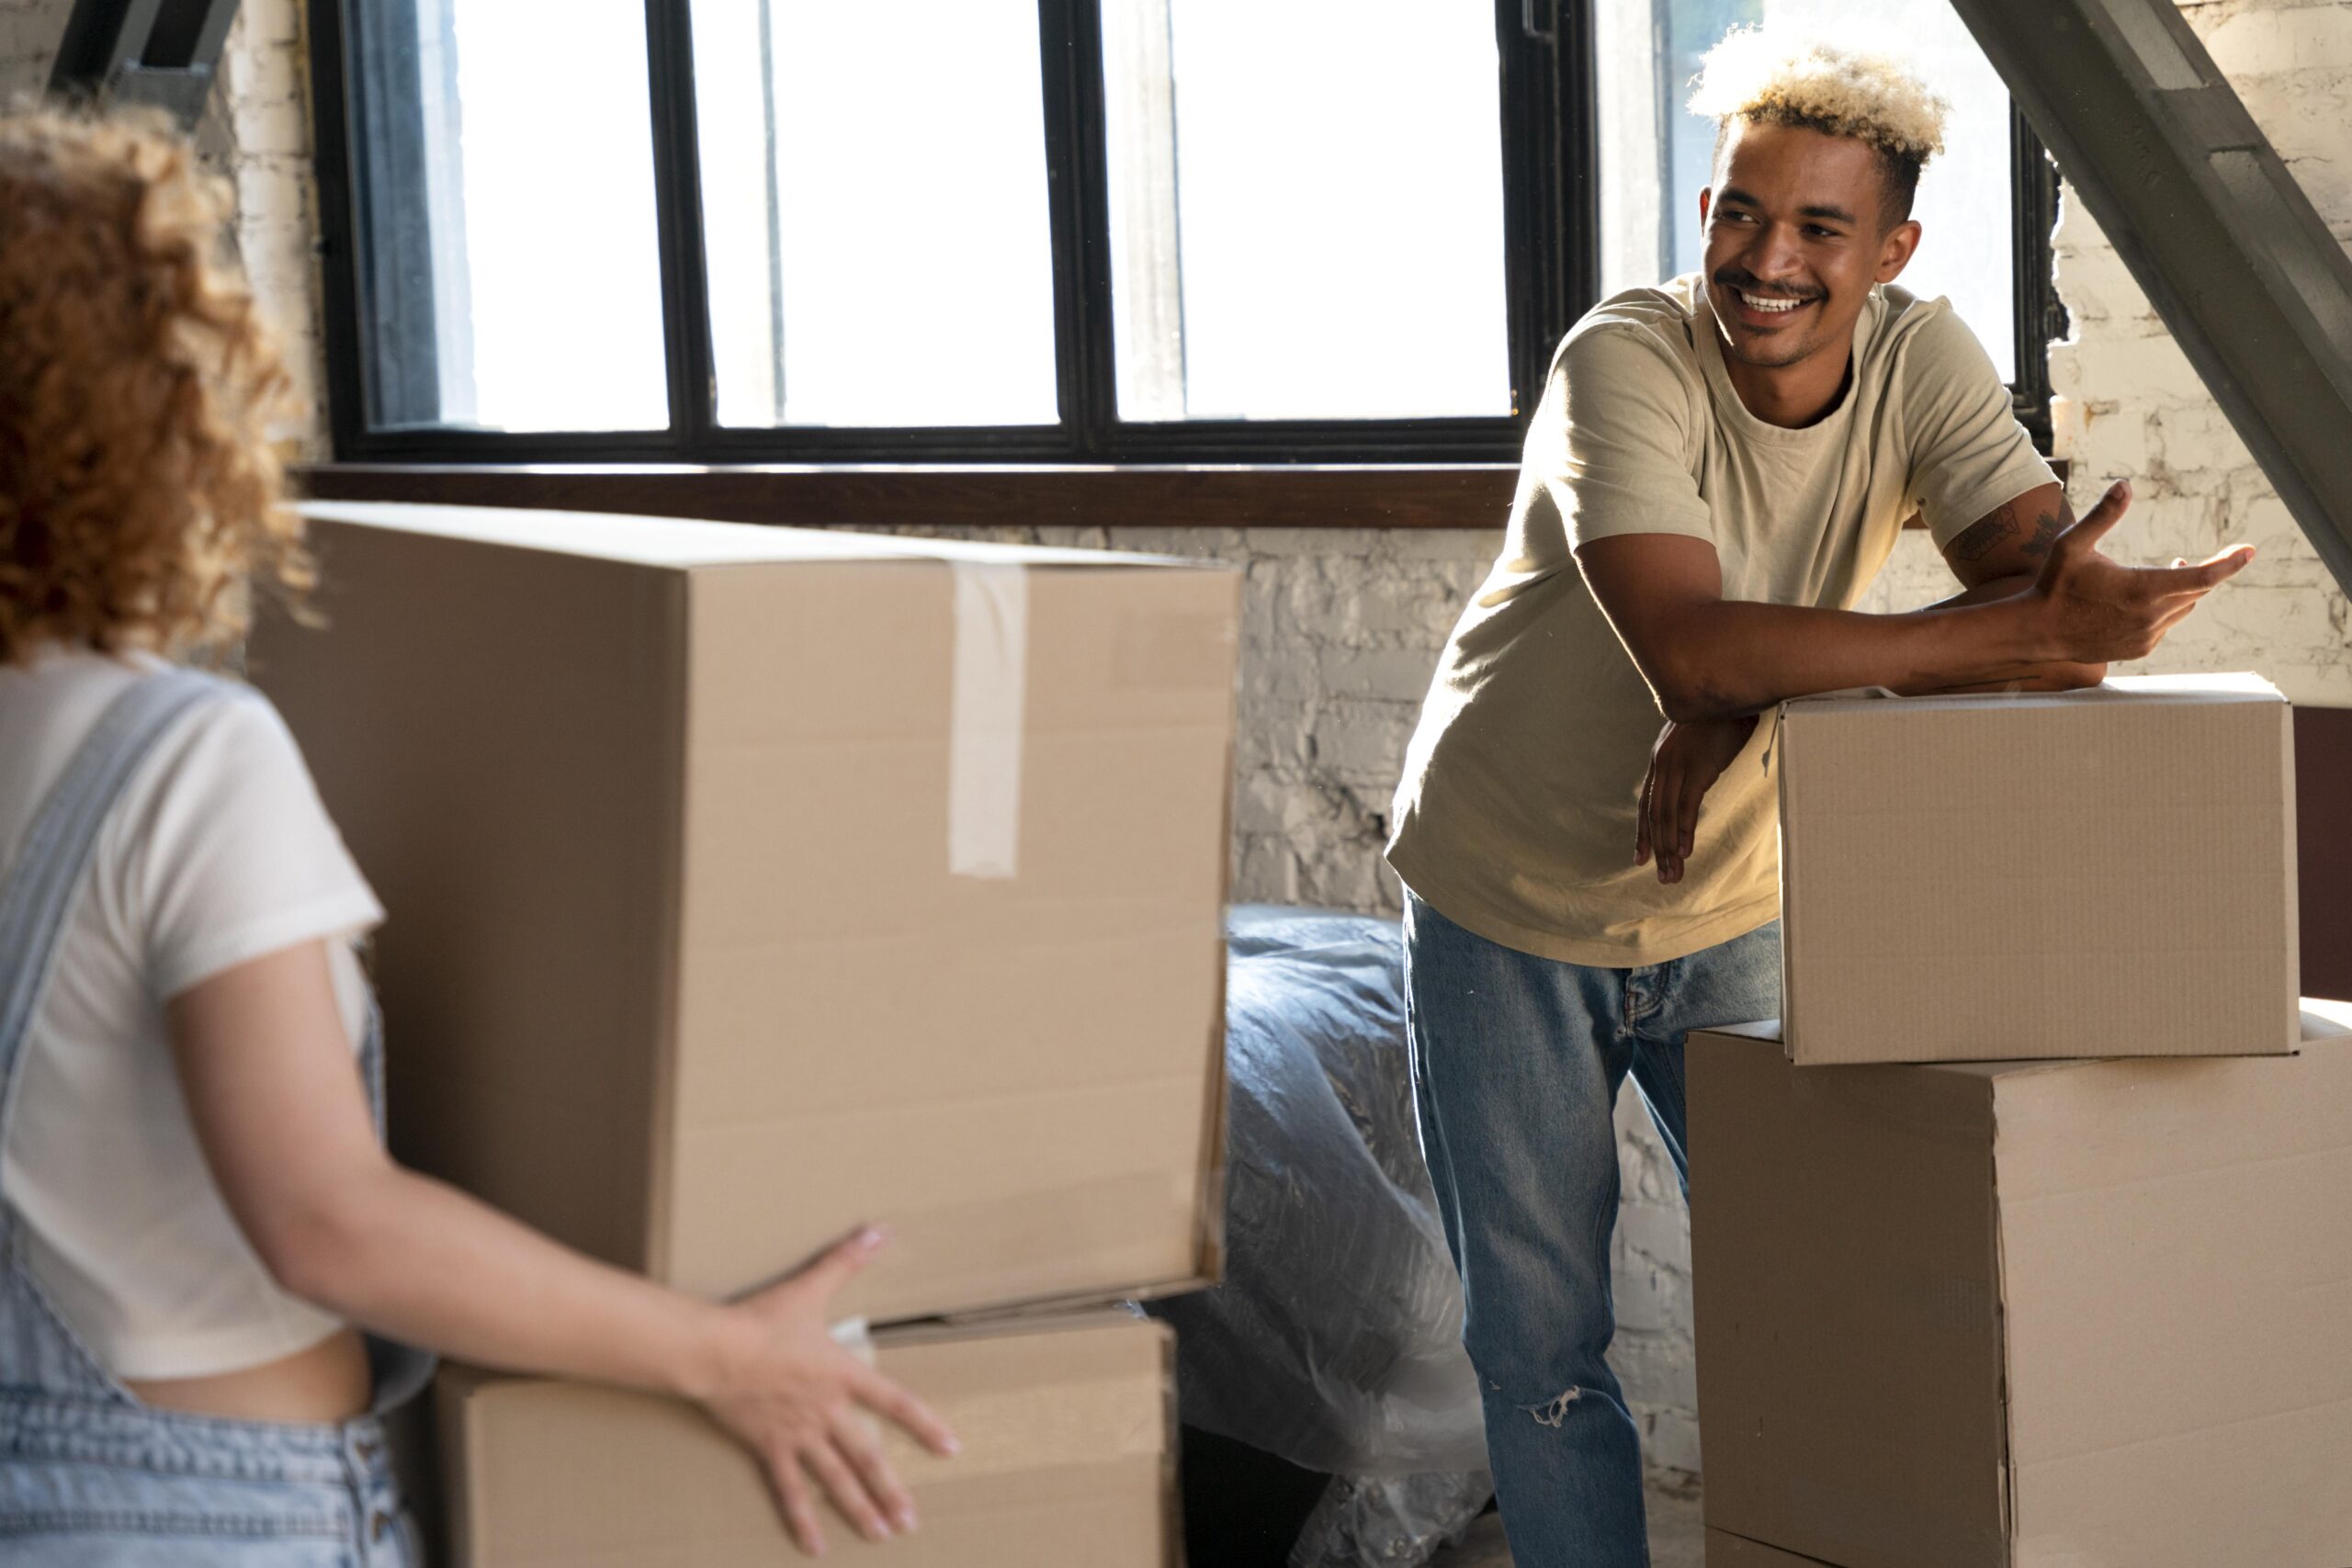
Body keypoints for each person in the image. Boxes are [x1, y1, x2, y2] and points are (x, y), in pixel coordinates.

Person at [0, 108, 953, 1564]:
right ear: (141, 410)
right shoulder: (179, 756)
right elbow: (331, 1224)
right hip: (201, 1518)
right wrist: (728, 1357)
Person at [1385, 29, 2251, 1566]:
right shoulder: (1624, 359)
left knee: (1831, 1290)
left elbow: (2037, 596)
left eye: (1816, 228)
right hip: (1507, 898)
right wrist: (1733, 679)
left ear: (1894, 249)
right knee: (1542, 1353)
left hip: (1735, 905)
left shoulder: (1922, 358)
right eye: (1735, 213)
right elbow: (1691, 641)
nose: (1762, 260)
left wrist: (1764, 693)